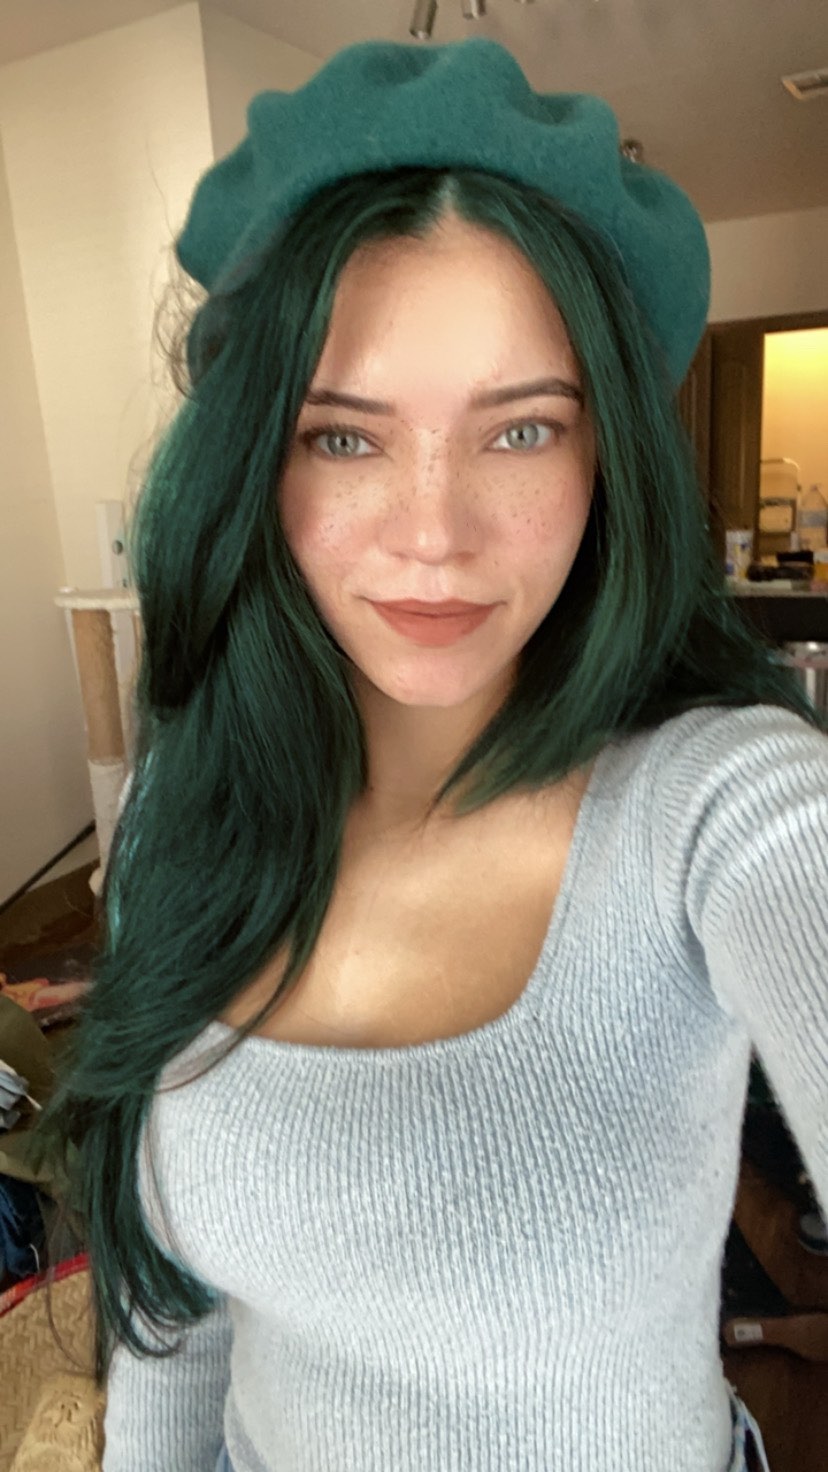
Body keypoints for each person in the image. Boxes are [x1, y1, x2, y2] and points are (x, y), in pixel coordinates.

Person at [33, 35, 827, 1472]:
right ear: (257, 460)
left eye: (521, 430)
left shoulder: (720, 808)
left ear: (607, 457)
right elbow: (176, 1326)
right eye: (346, 440)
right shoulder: (181, 821)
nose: (433, 533)